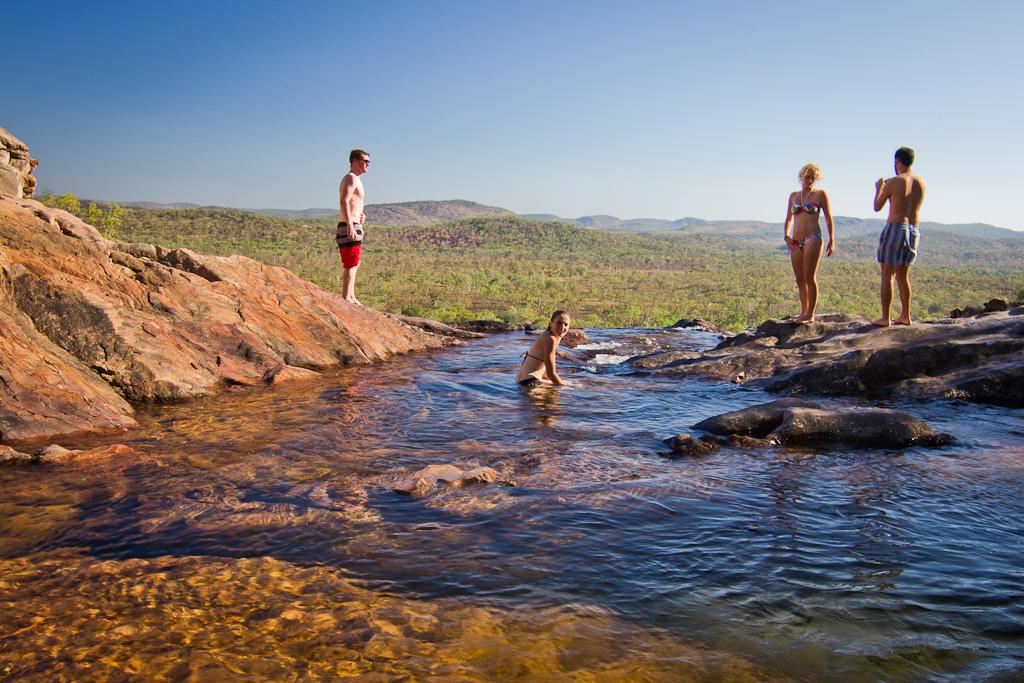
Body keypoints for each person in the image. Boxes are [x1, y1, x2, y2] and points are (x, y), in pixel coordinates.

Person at [872, 146, 926, 326]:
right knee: (903, 276)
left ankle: (885, 317)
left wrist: (879, 188)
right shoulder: (920, 182)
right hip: (913, 230)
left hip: (896, 227)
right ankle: (905, 316)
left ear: (897, 161)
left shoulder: (894, 182)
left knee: (887, 274)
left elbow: (877, 206)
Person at [782, 163, 836, 322]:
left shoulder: (820, 194)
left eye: (814, 177)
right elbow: (789, 218)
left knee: (809, 276)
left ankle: (810, 314)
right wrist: (786, 236)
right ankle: (803, 312)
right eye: (807, 177)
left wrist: (832, 239)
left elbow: (828, 217)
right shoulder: (793, 196)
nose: (810, 180)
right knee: (799, 278)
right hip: (796, 240)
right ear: (801, 177)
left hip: (813, 237)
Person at [336, 149, 370, 305]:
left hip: (354, 224)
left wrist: (359, 217)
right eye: (365, 161)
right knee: (351, 262)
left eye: (368, 162)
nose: (367, 164)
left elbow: (352, 204)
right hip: (348, 225)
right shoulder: (351, 178)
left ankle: (351, 294)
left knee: (355, 261)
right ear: (355, 161)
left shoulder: (355, 179)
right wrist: (350, 224)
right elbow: (344, 201)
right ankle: (347, 297)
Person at [515, 310, 572, 387]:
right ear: (551, 323)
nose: (562, 327)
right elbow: (551, 373)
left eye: (566, 324)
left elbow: (545, 371)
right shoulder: (551, 339)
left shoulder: (548, 335)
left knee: (570, 383)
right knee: (565, 390)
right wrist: (563, 385)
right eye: (559, 323)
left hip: (524, 380)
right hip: (530, 382)